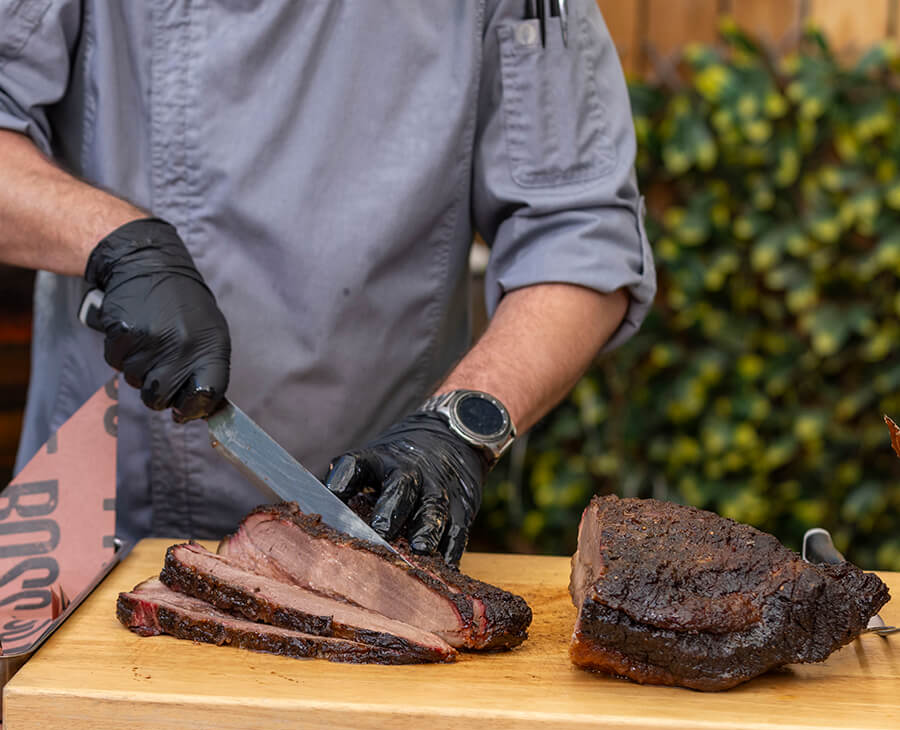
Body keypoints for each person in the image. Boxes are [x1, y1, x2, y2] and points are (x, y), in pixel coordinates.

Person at [0, 1, 655, 564]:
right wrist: (113, 240)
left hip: (375, 545)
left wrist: (459, 427)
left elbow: (580, 227)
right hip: (102, 522)